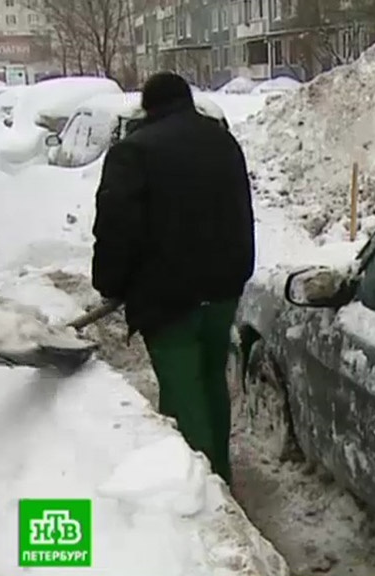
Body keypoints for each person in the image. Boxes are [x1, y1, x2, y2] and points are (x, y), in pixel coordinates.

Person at [91, 72, 255, 484]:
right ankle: (217, 473)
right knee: (212, 379)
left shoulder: (133, 152)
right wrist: (237, 273)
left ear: (148, 106)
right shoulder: (224, 142)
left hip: (167, 298)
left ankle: (207, 493)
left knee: (184, 391)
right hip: (221, 292)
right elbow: (241, 211)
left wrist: (110, 283)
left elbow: (116, 227)